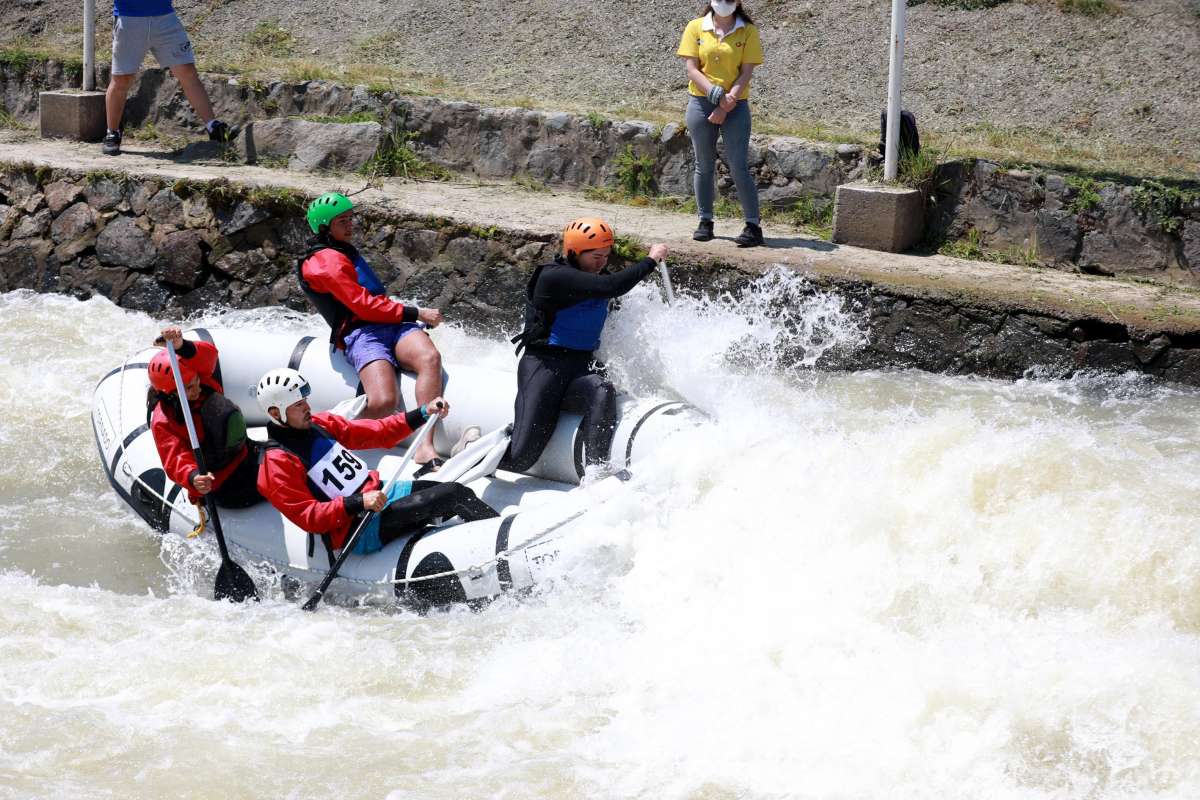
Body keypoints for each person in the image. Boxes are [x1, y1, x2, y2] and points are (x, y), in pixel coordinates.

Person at [255, 368, 498, 557]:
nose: (307, 408)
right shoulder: (276, 464)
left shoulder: (321, 424)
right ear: (276, 413)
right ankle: (503, 548)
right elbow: (310, 516)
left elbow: (378, 431)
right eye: (298, 405)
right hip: (359, 527)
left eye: (305, 400)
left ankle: (489, 540)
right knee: (452, 494)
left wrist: (422, 413)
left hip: (383, 492)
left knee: (459, 493)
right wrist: (357, 501)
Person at [298, 192, 448, 476]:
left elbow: (375, 304)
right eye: (343, 221)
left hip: (391, 323)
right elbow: (363, 307)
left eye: (351, 218)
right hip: (362, 332)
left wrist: (405, 317)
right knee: (382, 402)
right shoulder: (324, 263)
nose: (350, 225)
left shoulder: (341, 248)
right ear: (324, 227)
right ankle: (323, 434)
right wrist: (417, 313)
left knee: (430, 357)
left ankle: (424, 446)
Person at [504, 217, 669, 474]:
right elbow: (611, 286)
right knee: (522, 458)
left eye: (606, 255)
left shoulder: (597, 275)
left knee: (602, 389)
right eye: (595, 257)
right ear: (573, 252)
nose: (602, 262)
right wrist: (650, 261)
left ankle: (595, 472)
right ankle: (472, 448)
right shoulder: (554, 276)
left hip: (580, 365)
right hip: (545, 366)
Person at [677, 0, 765, 247]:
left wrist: (726, 103)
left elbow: (746, 72)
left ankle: (753, 225)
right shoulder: (695, 27)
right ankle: (705, 220)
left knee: (738, 166)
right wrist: (715, 96)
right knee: (703, 165)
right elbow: (692, 69)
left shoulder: (748, 30)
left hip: (735, 104)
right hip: (701, 102)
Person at [103, 0, 238, 156]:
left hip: (165, 17)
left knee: (187, 71)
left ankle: (213, 127)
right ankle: (112, 132)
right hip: (129, 18)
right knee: (122, 79)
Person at [146, 327, 262, 509]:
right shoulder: (164, 421)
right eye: (189, 388)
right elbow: (176, 458)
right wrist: (194, 477)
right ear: (170, 394)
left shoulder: (201, 379)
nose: (198, 389)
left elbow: (209, 356)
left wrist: (182, 346)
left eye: (196, 382)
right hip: (219, 480)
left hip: (243, 453)